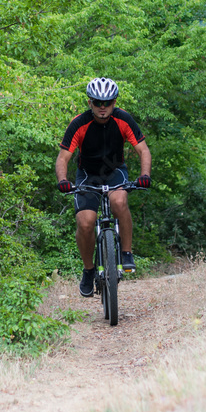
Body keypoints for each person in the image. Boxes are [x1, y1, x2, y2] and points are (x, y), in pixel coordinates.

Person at [56, 77, 152, 297]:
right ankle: (89, 270)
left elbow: (143, 150)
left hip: (115, 171)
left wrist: (144, 175)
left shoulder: (124, 119)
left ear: (114, 102)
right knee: (86, 221)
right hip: (88, 176)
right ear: (90, 102)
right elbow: (62, 159)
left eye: (106, 103)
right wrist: (63, 180)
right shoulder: (78, 123)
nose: (102, 107)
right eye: (97, 102)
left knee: (119, 201)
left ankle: (126, 253)